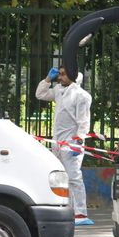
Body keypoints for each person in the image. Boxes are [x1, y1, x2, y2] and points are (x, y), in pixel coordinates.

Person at [36, 66, 93, 225]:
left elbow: (84, 121)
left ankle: (81, 213)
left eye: (62, 74)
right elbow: (40, 94)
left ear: (73, 75)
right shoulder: (59, 91)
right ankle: (66, 209)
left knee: (74, 177)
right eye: (58, 75)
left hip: (71, 143)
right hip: (58, 142)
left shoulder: (81, 96)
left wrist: (79, 142)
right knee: (59, 177)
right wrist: (47, 79)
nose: (59, 78)